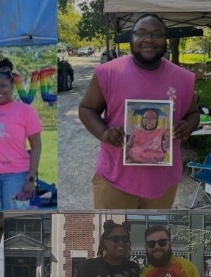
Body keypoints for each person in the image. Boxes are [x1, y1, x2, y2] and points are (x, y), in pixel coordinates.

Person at [78, 14, 198, 208]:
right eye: (140, 33)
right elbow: (87, 109)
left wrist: (188, 126)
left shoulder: (184, 78)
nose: (148, 39)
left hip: (163, 184)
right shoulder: (108, 72)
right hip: (115, 181)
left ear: (165, 40)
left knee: (151, 237)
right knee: (113, 237)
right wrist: (103, 133)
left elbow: (193, 113)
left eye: (157, 34)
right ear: (131, 38)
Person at [0, 59, 43, 210]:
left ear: (12, 86)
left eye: (3, 85)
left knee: (12, 212)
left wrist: (31, 178)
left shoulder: (25, 111)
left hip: (16, 174)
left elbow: (36, 146)